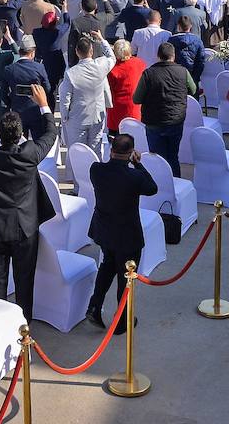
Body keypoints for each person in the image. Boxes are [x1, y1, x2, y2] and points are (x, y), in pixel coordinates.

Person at [0, 91, 57, 320]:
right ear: (20, 134)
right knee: (24, 281)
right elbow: (51, 133)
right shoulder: (30, 154)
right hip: (25, 229)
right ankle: (23, 327)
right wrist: (44, 105)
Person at [84, 132, 157, 331]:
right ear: (131, 153)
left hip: (104, 231)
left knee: (107, 266)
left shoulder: (96, 169)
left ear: (111, 150)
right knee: (125, 277)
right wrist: (138, 164)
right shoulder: (134, 177)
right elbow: (152, 188)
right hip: (127, 235)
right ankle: (122, 320)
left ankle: (94, 305)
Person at [132, 41, 195, 176]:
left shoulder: (149, 73)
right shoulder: (183, 71)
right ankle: (176, 182)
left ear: (158, 56)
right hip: (175, 120)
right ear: (173, 56)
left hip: (154, 122)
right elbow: (193, 89)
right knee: (173, 155)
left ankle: (160, 184)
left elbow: (137, 99)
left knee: (157, 158)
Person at [58, 30, 116, 157]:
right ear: (92, 51)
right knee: (95, 151)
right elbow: (112, 57)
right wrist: (101, 40)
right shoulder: (101, 65)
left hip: (77, 118)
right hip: (97, 116)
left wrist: (65, 117)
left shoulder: (70, 73)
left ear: (77, 52)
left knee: (77, 153)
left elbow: (65, 99)